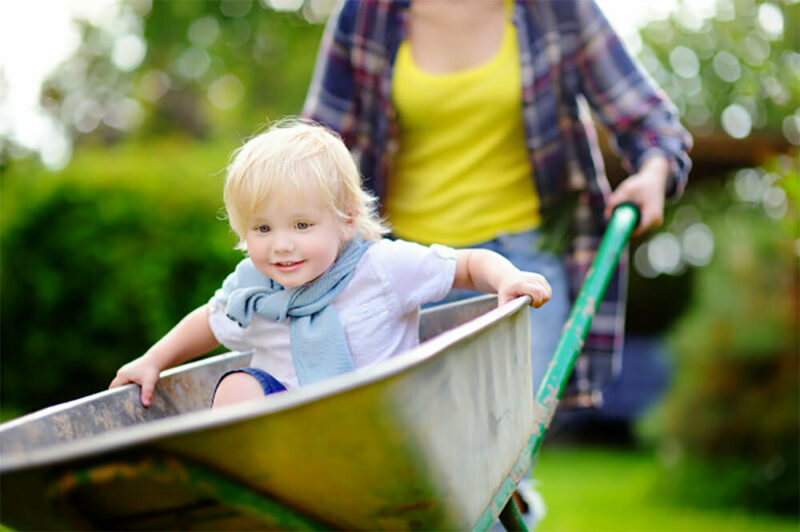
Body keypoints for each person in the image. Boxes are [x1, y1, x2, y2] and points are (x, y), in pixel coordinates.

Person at [302, 0, 692, 401]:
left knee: (502, 454)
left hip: (522, 266)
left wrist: (654, 171)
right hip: (400, 270)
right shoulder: (366, 14)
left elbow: (649, 120)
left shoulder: (557, 10)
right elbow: (311, 148)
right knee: (413, 452)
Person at [110, 119, 552, 409]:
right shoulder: (254, 287)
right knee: (235, 387)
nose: (281, 245)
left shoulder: (381, 268)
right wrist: (154, 359)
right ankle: (261, 484)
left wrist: (506, 278)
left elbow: (469, 263)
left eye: (301, 224)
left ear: (345, 221)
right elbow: (209, 319)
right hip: (290, 430)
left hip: (387, 420)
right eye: (262, 229)